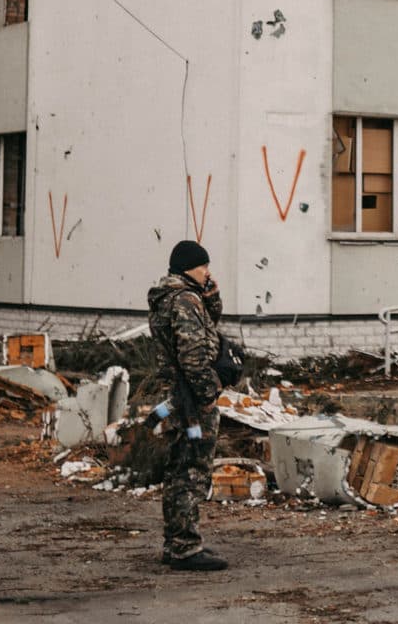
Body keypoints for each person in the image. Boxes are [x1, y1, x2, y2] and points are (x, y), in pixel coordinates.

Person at [147, 239, 226, 571]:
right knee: (192, 468)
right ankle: (185, 547)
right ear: (187, 268)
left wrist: (212, 296)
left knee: (180, 467)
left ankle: (176, 542)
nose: (208, 271)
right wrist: (208, 395)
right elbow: (194, 355)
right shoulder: (184, 301)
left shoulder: (173, 297)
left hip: (178, 395)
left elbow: (210, 324)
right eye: (203, 265)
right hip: (192, 400)